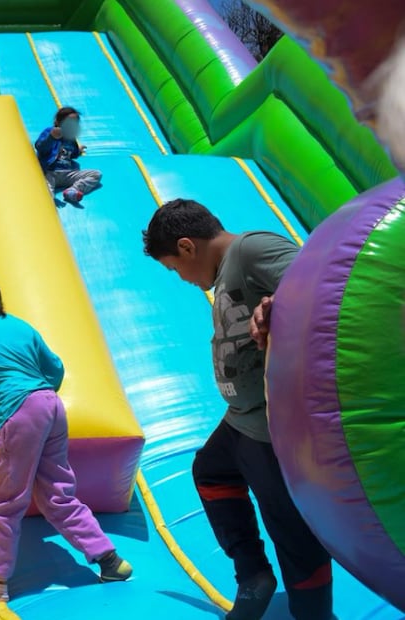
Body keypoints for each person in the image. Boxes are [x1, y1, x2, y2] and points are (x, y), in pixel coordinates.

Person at [142, 199, 333, 620]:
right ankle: (253, 575)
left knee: (292, 530)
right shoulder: (228, 272)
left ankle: (314, 614)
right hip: (240, 422)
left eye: (176, 269)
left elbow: (320, 286)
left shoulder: (250, 250)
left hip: (271, 428)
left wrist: (277, 307)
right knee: (210, 471)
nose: (185, 280)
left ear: (188, 246)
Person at [0, 277, 132, 605]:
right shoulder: (21, 326)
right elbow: (56, 369)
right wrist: (39, 395)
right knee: (58, 496)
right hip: (50, 406)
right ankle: (110, 560)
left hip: (19, 413)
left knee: (4, 502)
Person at [34, 106, 102, 204]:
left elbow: (72, 154)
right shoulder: (50, 132)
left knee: (96, 174)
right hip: (50, 172)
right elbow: (40, 147)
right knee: (45, 192)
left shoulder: (70, 138)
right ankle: (49, 201)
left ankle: (73, 190)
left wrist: (78, 150)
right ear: (58, 122)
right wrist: (51, 138)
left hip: (68, 173)